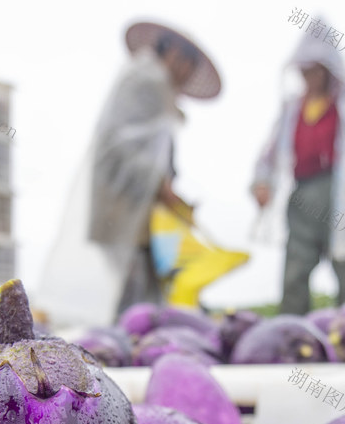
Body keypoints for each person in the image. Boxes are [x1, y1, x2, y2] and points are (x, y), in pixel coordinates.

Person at [36, 21, 221, 327]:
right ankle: (128, 347)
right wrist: (160, 185)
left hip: (143, 210)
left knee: (148, 287)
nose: (187, 72)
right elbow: (119, 145)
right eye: (188, 62)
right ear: (174, 53)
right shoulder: (145, 80)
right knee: (131, 286)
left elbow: (153, 151)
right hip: (123, 206)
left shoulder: (157, 90)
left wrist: (166, 188)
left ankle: (137, 345)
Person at [251, 23, 345, 316]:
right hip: (302, 195)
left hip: (342, 196)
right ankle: (293, 335)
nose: (309, 77)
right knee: (295, 272)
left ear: (328, 70)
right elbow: (270, 152)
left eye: (315, 70)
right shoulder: (293, 108)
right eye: (304, 71)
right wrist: (262, 182)